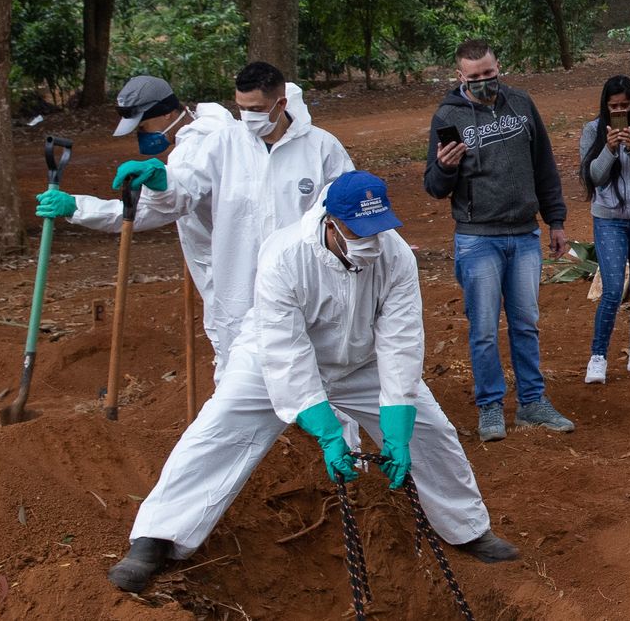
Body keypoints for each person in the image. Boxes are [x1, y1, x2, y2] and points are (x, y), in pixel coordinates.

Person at [107, 172, 519, 593]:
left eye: (378, 230)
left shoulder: (396, 256)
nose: (371, 241)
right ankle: (155, 538)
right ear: (330, 222)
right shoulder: (285, 255)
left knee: (432, 433)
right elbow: (286, 350)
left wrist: (396, 421)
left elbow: (401, 339)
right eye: (358, 231)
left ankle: (468, 528)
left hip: (361, 361)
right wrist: (326, 429)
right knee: (219, 429)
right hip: (269, 357)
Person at [424, 39, 575, 442]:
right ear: (460, 77)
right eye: (474, 78)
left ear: (498, 67)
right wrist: (445, 168)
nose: (483, 83)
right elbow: (435, 188)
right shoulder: (449, 116)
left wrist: (555, 221)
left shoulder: (521, 104)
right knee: (485, 328)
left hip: (525, 233)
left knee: (526, 323)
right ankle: (490, 406)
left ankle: (532, 402)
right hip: (478, 239)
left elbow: (544, 164)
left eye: (488, 75)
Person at [35, 75, 233, 353]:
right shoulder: (212, 130)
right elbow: (149, 210)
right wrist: (76, 206)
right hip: (219, 265)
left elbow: (170, 202)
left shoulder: (197, 147)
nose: (141, 136)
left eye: (143, 126)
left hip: (230, 272)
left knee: (238, 358)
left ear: (168, 114)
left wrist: (161, 182)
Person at [579, 75, 630, 385]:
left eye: (625, 106)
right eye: (613, 106)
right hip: (608, 218)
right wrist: (610, 149)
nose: (619, 111)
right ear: (605, 106)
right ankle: (598, 356)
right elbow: (595, 177)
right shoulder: (592, 130)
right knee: (613, 289)